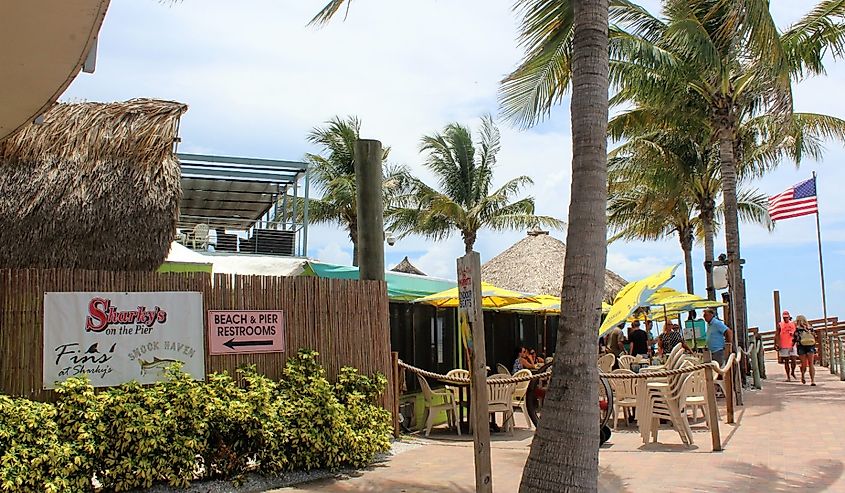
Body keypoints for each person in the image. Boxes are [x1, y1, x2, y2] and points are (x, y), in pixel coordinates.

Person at [793, 315, 817, 386]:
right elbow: (814, 336)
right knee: (811, 363)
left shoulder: (797, 329)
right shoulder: (810, 328)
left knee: (803, 364)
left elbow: (795, 338)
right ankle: (812, 380)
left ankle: (803, 375)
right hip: (810, 345)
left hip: (801, 346)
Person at [776, 310, 798, 381]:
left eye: (786, 317)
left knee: (794, 360)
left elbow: (796, 334)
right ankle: (788, 376)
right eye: (784, 317)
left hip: (792, 343)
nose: (785, 319)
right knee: (786, 361)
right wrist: (776, 343)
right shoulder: (780, 325)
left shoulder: (793, 324)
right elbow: (777, 334)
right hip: (783, 344)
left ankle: (793, 372)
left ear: (789, 317)